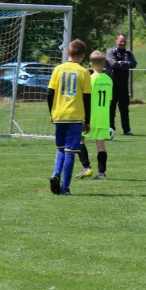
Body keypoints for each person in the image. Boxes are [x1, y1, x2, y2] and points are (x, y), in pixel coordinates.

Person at [47, 39, 91, 196]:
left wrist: (52, 113)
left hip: (59, 114)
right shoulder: (84, 72)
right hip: (75, 115)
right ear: (83, 55)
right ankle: (65, 187)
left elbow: (50, 94)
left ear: (67, 53)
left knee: (60, 149)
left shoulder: (58, 69)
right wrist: (87, 120)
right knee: (71, 151)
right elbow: (87, 99)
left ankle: (55, 174)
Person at [75, 50, 113, 180]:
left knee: (80, 139)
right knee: (100, 145)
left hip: (90, 116)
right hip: (103, 116)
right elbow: (109, 100)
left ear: (90, 64)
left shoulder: (89, 79)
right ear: (104, 63)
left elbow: (85, 98)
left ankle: (86, 167)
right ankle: (101, 173)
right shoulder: (109, 80)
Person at [106, 34, 137, 135]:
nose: (122, 43)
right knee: (111, 109)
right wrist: (125, 63)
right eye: (120, 41)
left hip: (124, 86)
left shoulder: (128, 53)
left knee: (124, 110)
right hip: (112, 86)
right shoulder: (111, 51)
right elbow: (112, 63)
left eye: (124, 41)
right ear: (116, 41)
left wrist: (120, 63)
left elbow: (133, 64)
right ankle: (111, 129)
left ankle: (127, 130)